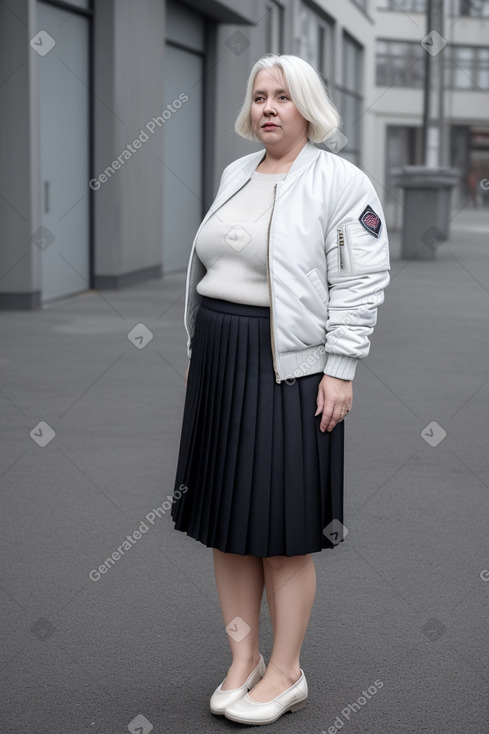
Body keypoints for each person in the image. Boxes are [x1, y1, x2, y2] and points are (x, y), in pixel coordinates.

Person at [171, 52, 390, 726]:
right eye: (260, 95)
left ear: (308, 107)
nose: (267, 107)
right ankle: (243, 661)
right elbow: (215, 263)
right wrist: (197, 345)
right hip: (219, 356)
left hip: (290, 366)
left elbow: (360, 280)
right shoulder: (236, 173)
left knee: (281, 529)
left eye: (282, 97)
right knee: (226, 525)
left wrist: (341, 367)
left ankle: (287, 671)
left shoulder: (340, 181)